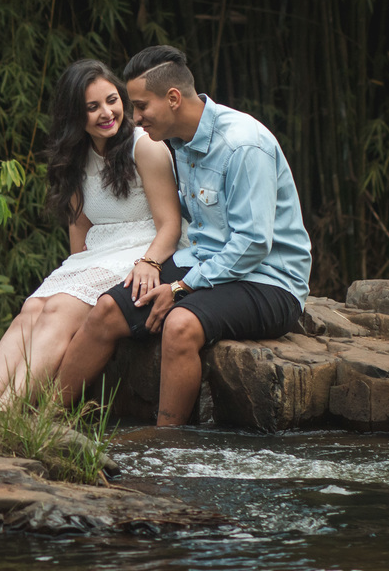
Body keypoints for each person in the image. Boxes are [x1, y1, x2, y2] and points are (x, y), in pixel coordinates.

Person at [55, 45, 313, 426]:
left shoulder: (243, 145)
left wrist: (181, 287)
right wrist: (150, 262)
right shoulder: (179, 142)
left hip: (269, 281)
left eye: (141, 106)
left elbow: (253, 244)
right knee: (107, 309)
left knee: (179, 325)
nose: (135, 118)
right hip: (206, 262)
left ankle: (167, 446)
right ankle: (43, 418)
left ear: (173, 98)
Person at [0, 58, 183, 411]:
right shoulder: (75, 155)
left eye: (112, 100)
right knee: (33, 307)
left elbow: (171, 225)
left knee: (60, 309)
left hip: (142, 247)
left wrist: (150, 262)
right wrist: (72, 273)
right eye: (92, 107)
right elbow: (79, 227)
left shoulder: (144, 146)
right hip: (99, 253)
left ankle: (5, 415)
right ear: (74, 115)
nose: (106, 113)